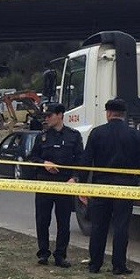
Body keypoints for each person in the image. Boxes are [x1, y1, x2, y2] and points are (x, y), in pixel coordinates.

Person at [76, 98, 140, 275]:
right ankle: (119, 265)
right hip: (126, 186)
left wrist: (82, 186)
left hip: (101, 185)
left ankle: (95, 264)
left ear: (108, 114)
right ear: (123, 115)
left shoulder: (97, 133)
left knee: (99, 226)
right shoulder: (134, 135)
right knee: (121, 226)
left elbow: (86, 161)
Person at [27, 103, 83, 268]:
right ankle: (43, 253)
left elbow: (80, 160)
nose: (47, 118)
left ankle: (60, 255)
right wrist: (44, 163)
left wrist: (75, 178)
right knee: (42, 220)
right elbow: (32, 157)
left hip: (64, 183)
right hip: (44, 183)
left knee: (63, 222)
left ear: (60, 115)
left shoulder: (74, 136)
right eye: (46, 116)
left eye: (50, 115)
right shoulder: (42, 136)